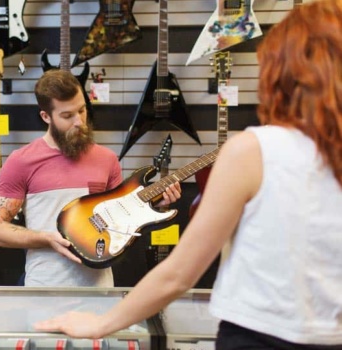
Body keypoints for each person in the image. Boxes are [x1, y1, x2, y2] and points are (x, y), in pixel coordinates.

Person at [34, 0, 342, 347]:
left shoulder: (254, 150)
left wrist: (102, 324)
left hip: (256, 336)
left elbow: (179, 274)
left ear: (281, 72)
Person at [0, 69, 181, 287]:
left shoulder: (107, 160)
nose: (79, 122)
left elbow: (120, 220)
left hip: (99, 291)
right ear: (46, 116)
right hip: (44, 289)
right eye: (67, 116)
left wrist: (156, 203)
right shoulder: (21, 161)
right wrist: (46, 238)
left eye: (82, 110)